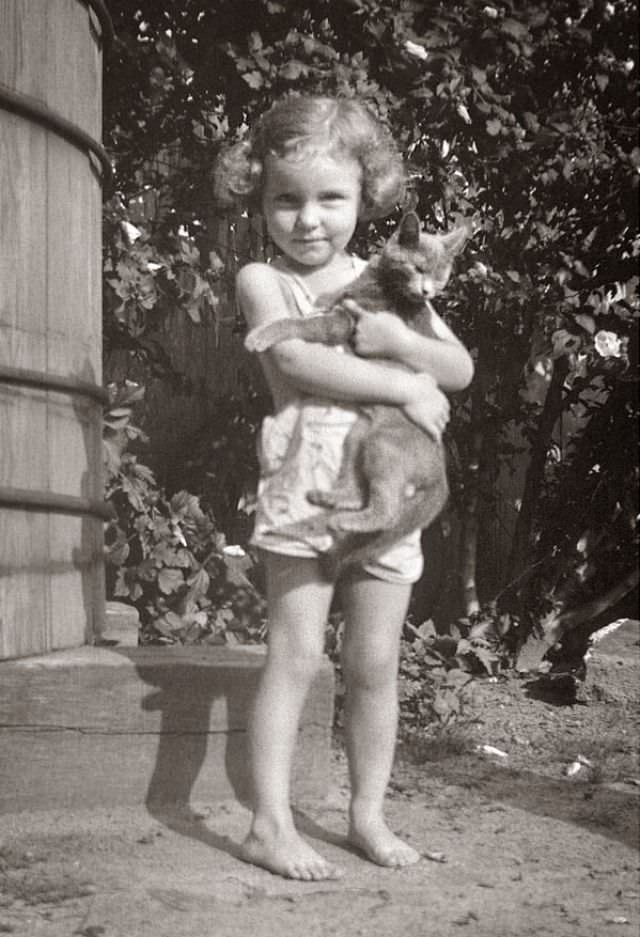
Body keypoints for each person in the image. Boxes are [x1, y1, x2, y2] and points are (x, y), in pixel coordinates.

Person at [214, 95, 473, 881]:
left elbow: (460, 370)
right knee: (294, 653)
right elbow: (297, 362)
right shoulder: (263, 279)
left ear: (367, 198)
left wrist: (402, 339)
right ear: (260, 200)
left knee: (374, 660)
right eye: (286, 199)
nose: (308, 219)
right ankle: (268, 821)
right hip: (305, 482)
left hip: (388, 492)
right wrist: (400, 385)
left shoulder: (388, 279)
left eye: (331, 198)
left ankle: (366, 813)